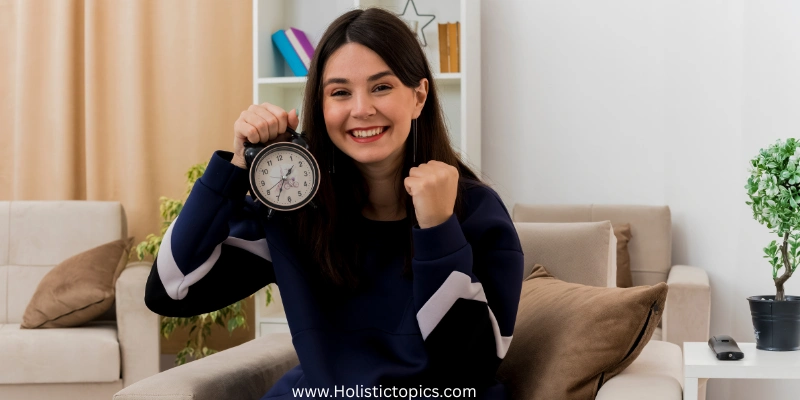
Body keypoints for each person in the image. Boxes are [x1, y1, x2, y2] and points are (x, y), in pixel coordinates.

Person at [144, 7, 523, 400]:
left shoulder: (476, 211)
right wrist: (237, 166)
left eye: (381, 87)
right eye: (340, 92)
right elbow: (170, 291)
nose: (361, 109)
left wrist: (439, 229)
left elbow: (468, 371)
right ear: (321, 108)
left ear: (418, 96)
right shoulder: (294, 213)